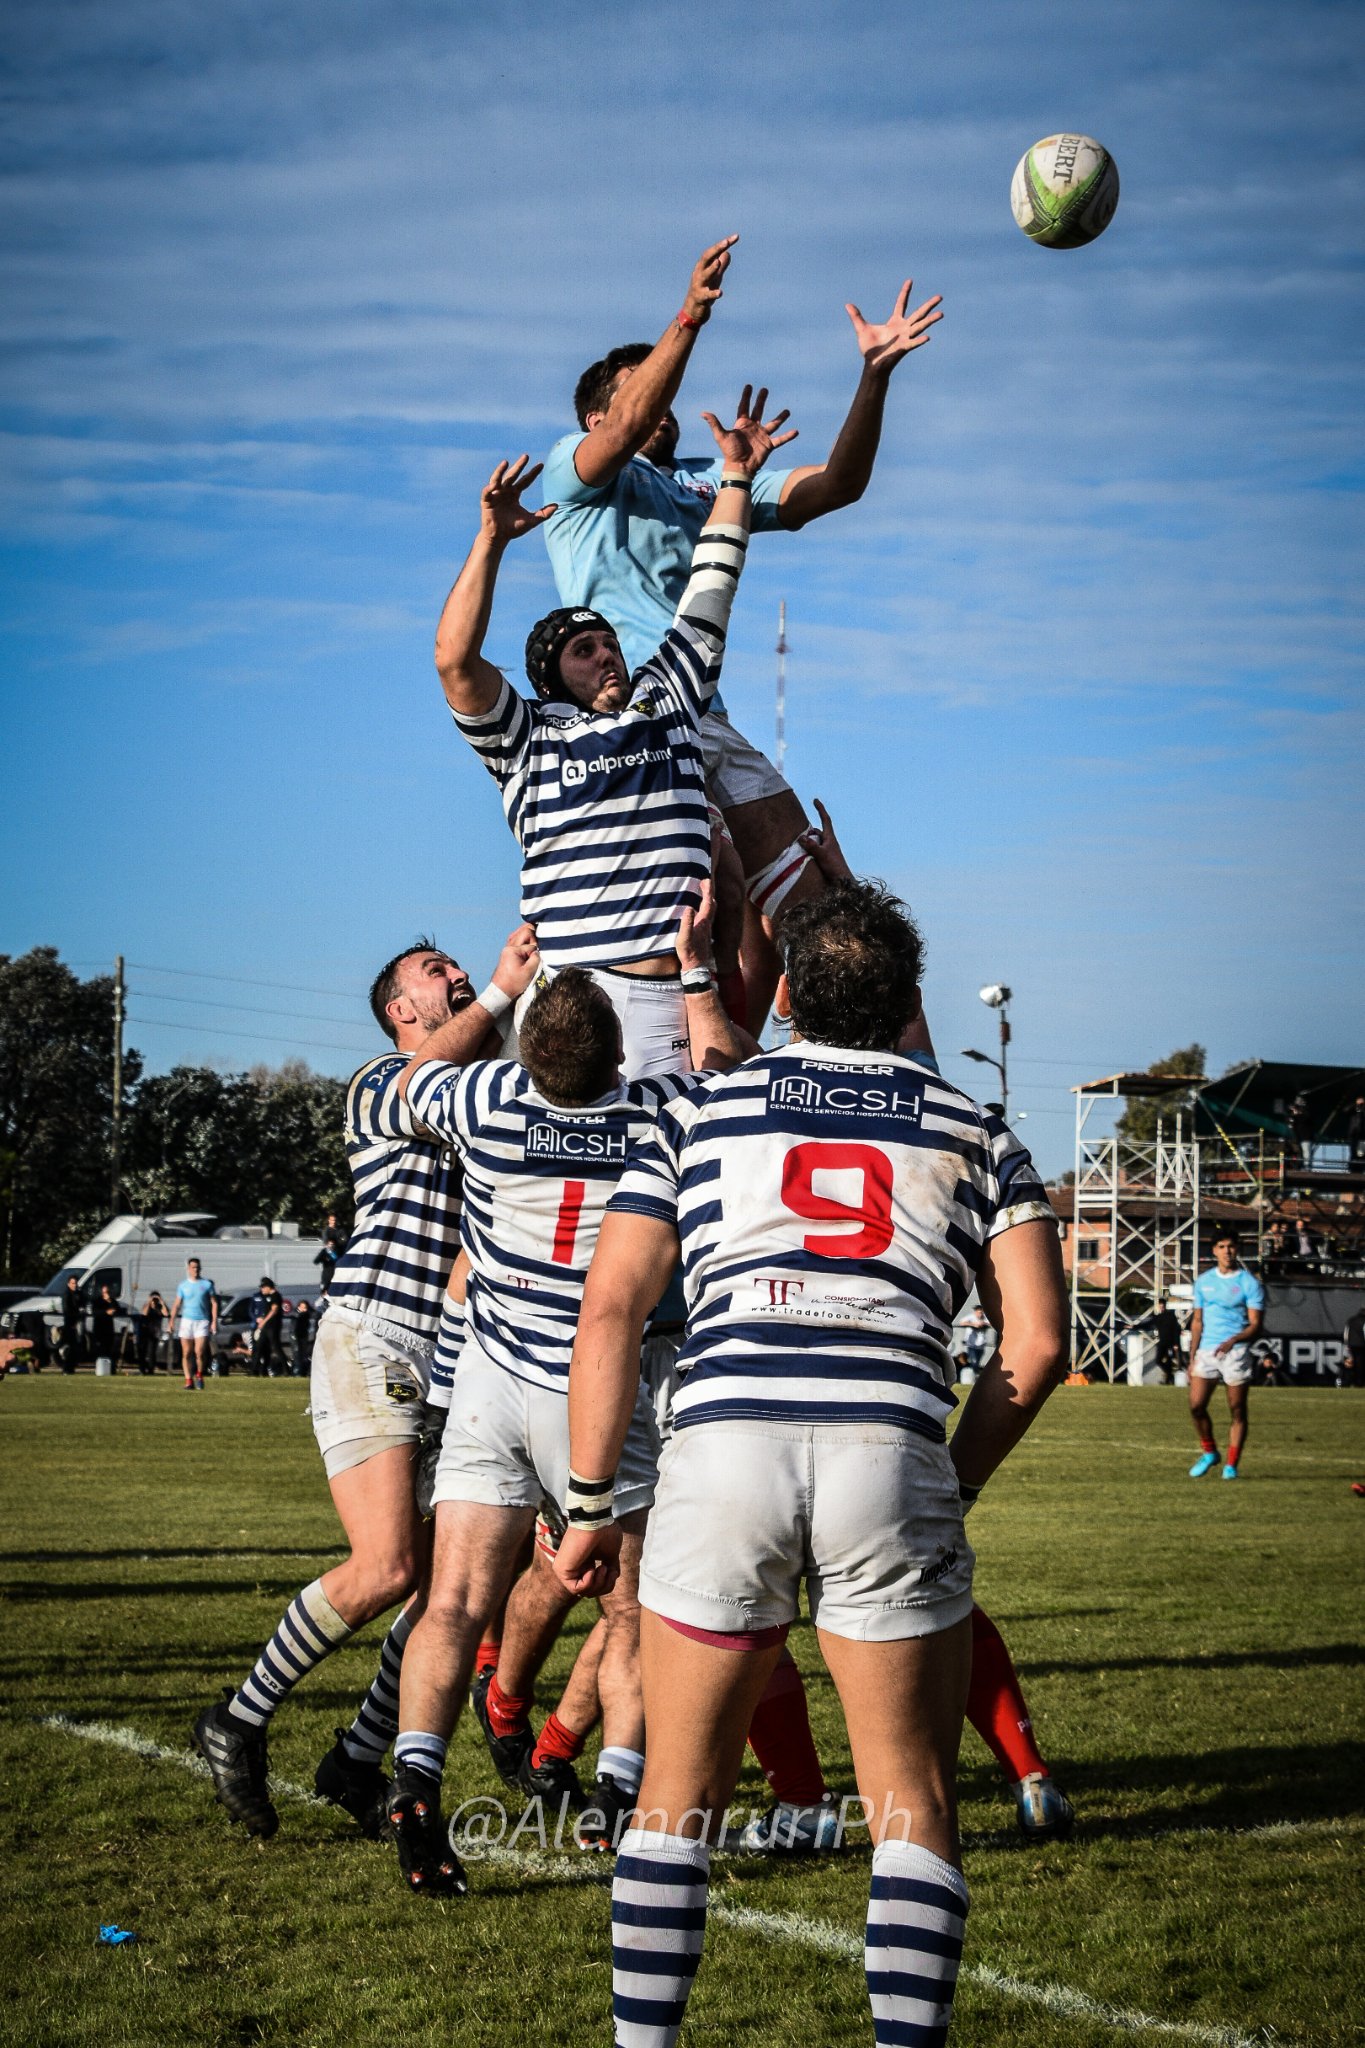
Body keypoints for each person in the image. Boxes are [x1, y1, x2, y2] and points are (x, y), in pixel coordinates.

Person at [554, 878, 1068, 2048]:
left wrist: (588, 1502)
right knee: (910, 1805)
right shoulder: (972, 1123)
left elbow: (611, 1314)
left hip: (725, 1446)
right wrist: (957, 1475)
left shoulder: (698, 1108)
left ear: (784, 994)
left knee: (674, 1800)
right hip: (888, 1445)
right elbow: (1038, 1341)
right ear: (910, 1003)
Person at [384, 891, 749, 1895]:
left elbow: (423, 1072)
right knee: (632, 1606)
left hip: (496, 1383)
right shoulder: (653, 1113)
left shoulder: (487, 1103)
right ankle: (616, 1793)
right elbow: (722, 1074)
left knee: (453, 1600)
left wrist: (500, 986)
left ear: (528, 1052)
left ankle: (416, 1778)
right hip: (602, 1394)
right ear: (615, 1059)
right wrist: (695, 966)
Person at [191, 924, 540, 1841]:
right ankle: (237, 1717)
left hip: (448, 1359)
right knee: (388, 1565)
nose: (459, 975)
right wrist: (503, 993)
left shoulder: (479, 1098)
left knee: (449, 1587)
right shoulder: (382, 1083)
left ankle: (355, 1758)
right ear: (400, 1009)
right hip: (373, 1336)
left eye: (457, 968)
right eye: (439, 973)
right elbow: (437, 1077)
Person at [542, 237, 942, 955]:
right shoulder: (573, 473)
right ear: (596, 420)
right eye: (644, 395)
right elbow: (632, 419)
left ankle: (829, 1045)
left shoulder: (712, 475)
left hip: (708, 713)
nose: (662, 411)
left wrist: (874, 376)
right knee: (693, 920)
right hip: (631, 715)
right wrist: (690, 315)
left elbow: (837, 487)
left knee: (819, 907)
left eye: (666, 397)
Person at [435, 388, 787, 1080]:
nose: (606, 655)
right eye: (583, 650)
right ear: (550, 679)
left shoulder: (668, 698)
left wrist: (738, 477)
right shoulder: (526, 738)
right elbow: (454, 660)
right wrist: (490, 542)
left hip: (678, 998)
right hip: (571, 1003)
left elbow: (712, 584)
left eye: (608, 642)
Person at [1187, 1233, 1266, 1480]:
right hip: (1208, 1350)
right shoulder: (1203, 1282)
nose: (1227, 1251)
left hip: (1236, 1352)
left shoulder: (1249, 1283)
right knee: (1196, 1406)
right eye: (1221, 1246)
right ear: (1214, 1251)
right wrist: (1192, 1356)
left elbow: (1255, 1324)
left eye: (1231, 1246)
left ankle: (1231, 1465)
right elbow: (1197, 1322)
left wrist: (1234, 1340)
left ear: (1238, 1249)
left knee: (1237, 1409)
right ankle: (1210, 1452)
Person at [169, 1258, 217, 1389]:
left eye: (197, 1267)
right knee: (186, 1353)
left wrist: (214, 1321)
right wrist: (171, 1321)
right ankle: (188, 1380)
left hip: (202, 1321)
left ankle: (199, 1375)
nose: (195, 1270)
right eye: (193, 1267)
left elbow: (214, 1303)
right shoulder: (183, 1285)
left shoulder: (206, 1284)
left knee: (199, 1352)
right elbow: (177, 1304)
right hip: (187, 1321)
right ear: (188, 1269)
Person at [249, 1276, 287, 1377]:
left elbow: (274, 1310)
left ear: (268, 1287)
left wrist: (264, 1321)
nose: (261, 1289)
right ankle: (254, 1371)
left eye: (263, 1287)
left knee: (276, 1347)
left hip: (272, 1326)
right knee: (258, 1347)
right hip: (266, 1327)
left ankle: (286, 1369)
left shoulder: (276, 1296)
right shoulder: (267, 1297)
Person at [137, 1289, 169, 1374]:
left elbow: (166, 1314)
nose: (154, 1300)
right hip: (144, 1331)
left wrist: (162, 1302)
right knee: (142, 1351)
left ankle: (151, 1370)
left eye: (156, 1298)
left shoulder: (160, 1307)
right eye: (153, 1298)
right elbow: (144, 1313)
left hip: (154, 1332)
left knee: (152, 1352)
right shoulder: (147, 1305)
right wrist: (149, 1302)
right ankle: (142, 1370)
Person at [316, 1211, 347, 1294]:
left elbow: (345, 1241)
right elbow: (328, 1243)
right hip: (331, 1259)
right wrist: (338, 1241)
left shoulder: (340, 1230)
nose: (334, 1222)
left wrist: (337, 1242)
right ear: (329, 1220)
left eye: (335, 1220)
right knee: (328, 1278)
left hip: (340, 1258)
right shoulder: (326, 1231)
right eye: (332, 1220)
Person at [90, 1281, 120, 1366]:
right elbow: (95, 1311)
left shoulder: (112, 1300)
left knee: (109, 1347)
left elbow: (117, 1308)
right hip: (99, 1327)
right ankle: (100, 1365)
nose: (106, 1294)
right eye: (104, 1292)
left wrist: (110, 1301)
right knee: (100, 1348)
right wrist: (106, 1312)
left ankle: (109, 1366)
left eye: (107, 1292)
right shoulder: (97, 1301)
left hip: (109, 1328)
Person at [59, 1273, 83, 1369]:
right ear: (68, 1284)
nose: (74, 1285)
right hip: (69, 1324)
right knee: (69, 1346)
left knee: (74, 1346)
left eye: (76, 1283)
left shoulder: (78, 1294)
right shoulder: (66, 1295)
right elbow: (67, 1310)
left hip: (76, 1323)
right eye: (72, 1283)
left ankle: (71, 1366)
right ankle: (66, 1367)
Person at [1342, 1304, 1365, 1389]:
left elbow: (1346, 1333)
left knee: (1351, 1364)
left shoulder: (1351, 1320)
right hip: (1362, 1345)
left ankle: (1350, 1382)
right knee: (1360, 1364)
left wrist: (1346, 1343)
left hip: (1352, 1344)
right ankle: (1359, 1382)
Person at [291, 1295, 313, 1376]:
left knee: (303, 1354)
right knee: (297, 1355)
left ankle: (301, 1371)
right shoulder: (296, 1316)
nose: (303, 1309)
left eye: (305, 1307)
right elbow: (294, 1328)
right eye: (302, 1307)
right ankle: (297, 1372)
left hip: (303, 1336)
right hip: (297, 1337)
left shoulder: (305, 1316)